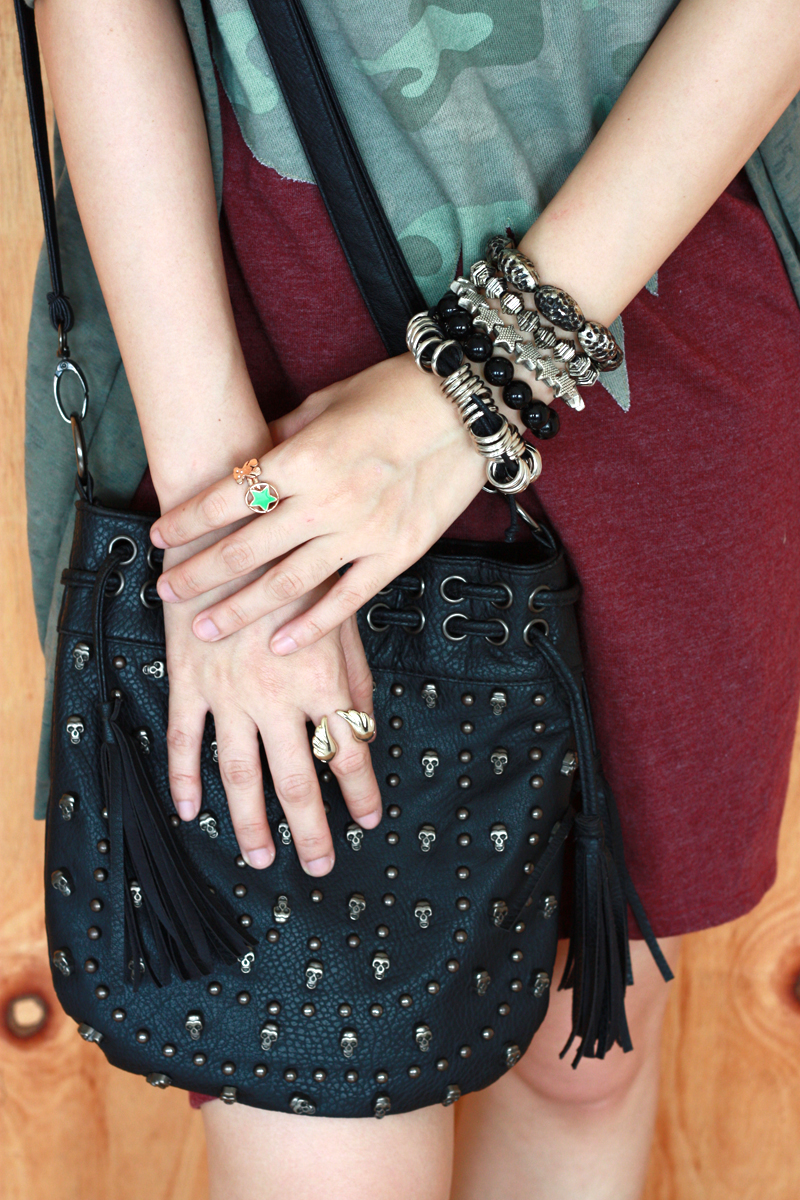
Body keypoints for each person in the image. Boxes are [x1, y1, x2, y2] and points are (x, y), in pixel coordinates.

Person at [25, 1, 800, 1197]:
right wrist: (233, 534)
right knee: (319, 1101)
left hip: (659, 232)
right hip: (251, 307)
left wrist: (479, 377)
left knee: (583, 1059)